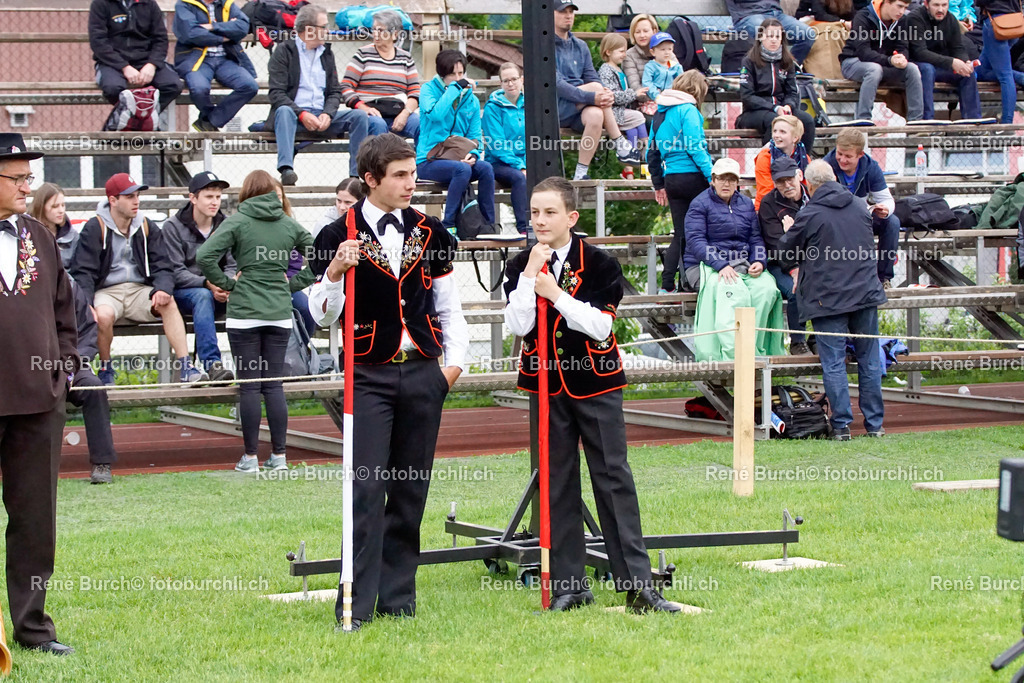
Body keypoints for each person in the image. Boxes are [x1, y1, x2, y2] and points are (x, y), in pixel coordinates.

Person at [308, 133, 468, 631]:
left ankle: (399, 599)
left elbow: (449, 306)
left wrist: (451, 368)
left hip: (423, 371)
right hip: (368, 376)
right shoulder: (337, 232)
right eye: (399, 175)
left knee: (410, 488)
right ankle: (355, 602)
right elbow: (320, 316)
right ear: (371, 179)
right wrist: (334, 273)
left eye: (412, 172)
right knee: (366, 489)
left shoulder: (431, 230)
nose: (410, 182)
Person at [503, 176, 680, 614]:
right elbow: (518, 326)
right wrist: (530, 278)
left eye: (550, 213)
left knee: (612, 477)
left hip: (596, 385)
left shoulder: (599, 263)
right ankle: (570, 585)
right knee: (557, 483)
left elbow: (601, 326)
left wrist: (556, 294)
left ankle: (638, 586)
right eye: (535, 213)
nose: (540, 221)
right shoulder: (519, 264)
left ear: (571, 217)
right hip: (546, 385)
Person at [0, 133, 77, 655]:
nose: (28, 186)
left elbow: (65, 312)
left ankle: (31, 630)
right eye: (18, 179)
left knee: (34, 522)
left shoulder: (40, 235)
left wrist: (64, 371)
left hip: (37, 401)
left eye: (29, 177)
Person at [197, 170, 315, 473]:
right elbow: (317, 256)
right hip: (278, 313)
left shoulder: (236, 221)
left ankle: (249, 457)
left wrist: (227, 283)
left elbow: (205, 255)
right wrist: (290, 284)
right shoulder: (288, 224)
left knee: (250, 386)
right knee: (273, 386)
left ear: (247, 192)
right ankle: (280, 457)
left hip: (244, 314)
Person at [777, 160, 887, 439]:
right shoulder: (859, 205)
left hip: (828, 299)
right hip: (864, 294)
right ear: (834, 179)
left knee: (834, 362)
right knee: (869, 359)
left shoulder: (810, 212)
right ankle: (874, 425)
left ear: (810, 186)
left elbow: (785, 253)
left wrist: (789, 229)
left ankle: (841, 426)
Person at [70, 173, 205, 385]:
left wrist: (162, 288)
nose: (137, 201)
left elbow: (163, 264)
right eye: (130, 196)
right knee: (102, 316)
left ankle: (186, 366)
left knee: (168, 302)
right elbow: (83, 272)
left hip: (138, 291)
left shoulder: (146, 225)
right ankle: (106, 370)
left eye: (137, 195)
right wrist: (87, 304)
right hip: (107, 292)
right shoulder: (95, 227)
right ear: (113, 200)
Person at [31, 184, 120, 484]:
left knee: (93, 388)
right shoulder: (26, 294)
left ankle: (102, 465)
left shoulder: (72, 289)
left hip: (69, 366)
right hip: (32, 367)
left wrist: (74, 363)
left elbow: (88, 330)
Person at [684, 158, 784, 361]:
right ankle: (731, 356)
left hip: (743, 264)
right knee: (731, 290)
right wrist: (721, 264)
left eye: (731, 179)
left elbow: (756, 238)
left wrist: (759, 261)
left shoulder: (746, 204)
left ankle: (755, 350)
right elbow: (696, 241)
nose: (726, 184)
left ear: (737, 182)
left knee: (767, 289)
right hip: (705, 264)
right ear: (713, 180)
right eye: (722, 178)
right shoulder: (699, 204)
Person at [267, 4, 371, 186]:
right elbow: (277, 93)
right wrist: (302, 113)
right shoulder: (284, 51)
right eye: (324, 26)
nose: (328, 31)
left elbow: (334, 92)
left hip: (323, 118)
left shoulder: (327, 53)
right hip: (295, 118)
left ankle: (356, 176)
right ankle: (286, 169)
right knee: (283, 110)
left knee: (359, 116)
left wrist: (327, 114)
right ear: (309, 30)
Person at [417, 49, 503, 238]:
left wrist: (473, 154)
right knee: (462, 170)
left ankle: (487, 226)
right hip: (429, 161)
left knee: (486, 168)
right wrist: (455, 89)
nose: (458, 78)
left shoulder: (470, 99)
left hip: (458, 159)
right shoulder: (428, 90)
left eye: (461, 73)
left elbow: (475, 136)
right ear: (442, 75)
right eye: (452, 74)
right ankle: (448, 225)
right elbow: (435, 114)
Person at [554, 0, 643, 180]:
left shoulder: (580, 45)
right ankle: (620, 143)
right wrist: (592, 95)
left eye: (571, 11)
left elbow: (592, 76)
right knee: (596, 89)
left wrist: (603, 93)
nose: (568, 15)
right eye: (563, 11)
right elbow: (557, 85)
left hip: (581, 109)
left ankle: (580, 173)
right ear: (550, 15)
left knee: (596, 114)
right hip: (556, 107)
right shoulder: (545, 46)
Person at [161, 171, 236, 382]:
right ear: (193, 198)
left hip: (219, 291)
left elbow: (233, 263)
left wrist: (225, 285)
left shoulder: (227, 225)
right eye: (209, 196)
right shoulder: (172, 227)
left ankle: (259, 368)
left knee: (250, 295)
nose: (215, 202)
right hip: (186, 294)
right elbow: (175, 272)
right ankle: (213, 365)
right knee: (202, 295)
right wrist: (207, 283)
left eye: (218, 197)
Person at [647, 71, 713, 293]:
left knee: (681, 233)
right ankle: (699, 278)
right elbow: (696, 147)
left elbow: (651, 152)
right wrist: (713, 176)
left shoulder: (659, 114)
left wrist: (659, 184)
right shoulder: (689, 111)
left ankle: (667, 285)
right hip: (694, 177)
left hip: (672, 179)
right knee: (705, 229)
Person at [823, 128, 900, 287]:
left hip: (862, 218)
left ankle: (883, 278)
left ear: (860, 155)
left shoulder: (871, 167)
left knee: (892, 222)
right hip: (835, 219)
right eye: (840, 154)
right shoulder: (826, 165)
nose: (842, 159)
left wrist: (885, 209)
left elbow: (887, 199)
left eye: (848, 156)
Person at [88, 0, 183, 129]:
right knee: (113, 87)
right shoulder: (101, 4)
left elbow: (160, 39)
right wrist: (124, 67)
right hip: (112, 63)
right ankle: (139, 124)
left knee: (172, 85)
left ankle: (131, 123)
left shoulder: (149, 4)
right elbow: (98, 42)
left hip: (146, 61)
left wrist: (152, 64)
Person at [172, 0, 259, 131]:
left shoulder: (226, 4)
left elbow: (243, 27)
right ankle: (209, 119)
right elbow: (191, 34)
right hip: (197, 60)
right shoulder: (184, 4)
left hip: (225, 59)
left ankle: (210, 121)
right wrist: (224, 36)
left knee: (249, 86)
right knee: (199, 89)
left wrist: (212, 26)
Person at [838, 0, 924, 125]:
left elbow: (903, 46)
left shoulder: (902, 19)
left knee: (912, 69)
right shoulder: (863, 16)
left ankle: (915, 121)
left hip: (884, 65)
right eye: (899, 6)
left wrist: (902, 58)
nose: (901, 11)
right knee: (874, 69)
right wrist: (889, 60)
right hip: (853, 62)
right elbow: (863, 52)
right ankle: (864, 119)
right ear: (886, 2)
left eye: (905, 7)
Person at [737, 19, 816, 152]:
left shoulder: (787, 61)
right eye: (769, 36)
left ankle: (803, 163)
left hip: (782, 109)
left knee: (807, 120)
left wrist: (788, 106)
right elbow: (747, 96)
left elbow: (792, 92)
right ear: (761, 37)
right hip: (754, 113)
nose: (773, 40)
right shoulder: (749, 61)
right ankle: (772, 163)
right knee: (776, 122)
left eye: (777, 36)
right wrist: (774, 108)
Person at [757, 157, 810, 354]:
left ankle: (822, 338)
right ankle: (798, 341)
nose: (787, 185)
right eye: (780, 181)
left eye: (790, 179)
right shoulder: (769, 203)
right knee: (797, 289)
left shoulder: (814, 196)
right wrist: (795, 269)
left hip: (812, 259)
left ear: (800, 176)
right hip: (780, 263)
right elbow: (776, 245)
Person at [342, 9, 421, 141]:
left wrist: (405, 113)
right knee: (378, 125)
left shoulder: (405, 58)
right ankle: (378, 162)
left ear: (394, 34)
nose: (376, 34)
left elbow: (415, 91)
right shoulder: (363, 54)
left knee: (420, 125)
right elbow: (346, 86)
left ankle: (423, 161)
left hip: (398, 110)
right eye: (374, 30)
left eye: (381, 30)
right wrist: (363, 107)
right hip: (371, 111)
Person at [909, 0, 983, 121]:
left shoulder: (950, 19)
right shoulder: (915, 18)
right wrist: (952, 62)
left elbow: (958, 47)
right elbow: (919, 53)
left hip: (942, 65)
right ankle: (926, 120)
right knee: (927, 69)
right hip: (918, 64)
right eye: (936, 5)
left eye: (944, 5)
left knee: (966, 72)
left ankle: (973, 119)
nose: (940, 10)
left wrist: (965, 61)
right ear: (926, 4)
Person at [482, 62, 531, 234]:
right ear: (501, 84)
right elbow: (497, 145)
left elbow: (534, 139)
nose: (510, 84)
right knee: (519, 178)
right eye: (506, 81)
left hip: (524, 161)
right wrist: (521, 166)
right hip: (498, 163)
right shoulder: (492, 108)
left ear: (522, 80)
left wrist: (525, 163)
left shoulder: (531, 104)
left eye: (514, 79)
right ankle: (524, 228)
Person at [597, 36, 648, 180]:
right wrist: (634, 93)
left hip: (622, 111)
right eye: (621, 51)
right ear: (608, 52)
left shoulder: (618, 69)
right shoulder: (606, 70)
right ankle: (646, 147)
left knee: (632, 129)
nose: (624, 55)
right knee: (638, 117)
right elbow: (613, 96)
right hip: (613, 113)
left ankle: (628, 170)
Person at [977, 0, 1024, 124]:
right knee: (981, 72)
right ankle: (1020, 77)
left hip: (995, 23)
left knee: (1005, 75)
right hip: (1014, 22)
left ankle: (1007, 123)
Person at [728, 0, 818, 62]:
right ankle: (770, 75)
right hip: (748, 15)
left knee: (807, 34)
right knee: (767, 33)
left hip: (776, 14)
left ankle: (788, 69)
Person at [753, 114, 811, 209]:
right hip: (770, 207)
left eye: (782, 132)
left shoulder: (804, 157)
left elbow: (806, 187)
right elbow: (765, 191)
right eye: (775, 131)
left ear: (795, 138)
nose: (776, 135)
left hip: (799, 205)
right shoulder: (765, 156)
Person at [30, 183, 77, 266]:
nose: (61, 210)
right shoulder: (28, 233)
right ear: (41, 207)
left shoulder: (72, 235)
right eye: (55, 206)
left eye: (63, 205)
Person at [623, 13, 660, 100]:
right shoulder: (629, 56)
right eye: (637, 32)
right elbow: (636, 88)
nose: (642, 35)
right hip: (644, 102)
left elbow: (679, 80)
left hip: (669, 98)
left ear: (654, 31)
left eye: (646, 31)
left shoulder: (664, 50)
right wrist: (659, 97)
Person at [641, 32, 683, 100]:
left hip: (672, 97)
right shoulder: (650, 66)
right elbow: (647, 83)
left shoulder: (676, 66)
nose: (667, 52)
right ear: (653, 52)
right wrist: (656, 96)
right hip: (655, 98)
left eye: (669, 49)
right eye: (662, 49)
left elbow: (681, 82)